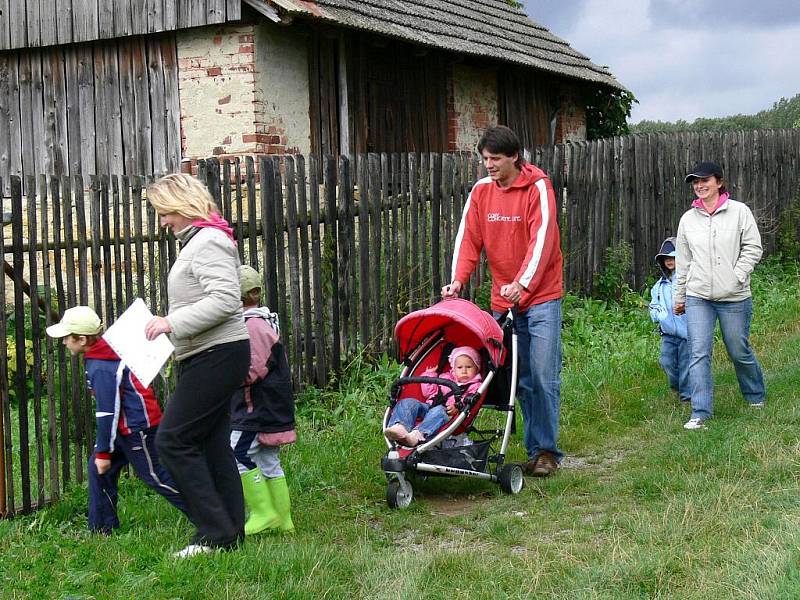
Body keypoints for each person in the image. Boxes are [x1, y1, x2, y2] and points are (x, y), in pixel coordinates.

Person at [442, 125, 563, 477]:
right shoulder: (481, 192)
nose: (489, 166)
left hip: (541, 297)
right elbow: (468, 239)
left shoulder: (538, 188)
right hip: (503, 301)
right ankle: (534, 448)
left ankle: (546, 452)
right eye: (485, 159)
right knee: (516, 378)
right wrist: (458, 280)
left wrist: (522, 284)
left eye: (495, 159)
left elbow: (543, 242)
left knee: (542, 376)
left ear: (514, 156)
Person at [144, 173, 250, 558]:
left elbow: (225, 300)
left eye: (163, 213)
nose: (162, 222)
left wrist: (171, 323)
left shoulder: (208, 242)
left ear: (181, 205)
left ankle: (213, 530)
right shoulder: (201, 241)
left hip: (217, 354)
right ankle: (230, 532)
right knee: (211, 442)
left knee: (172, 440)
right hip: (207, 353)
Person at [45, 306, 187, 534]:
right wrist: (102, 454)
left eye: (66, 338)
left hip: (138, 428)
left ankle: (211, 517)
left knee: (156, 477)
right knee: (98, 469)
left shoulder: (101, 365)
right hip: (124, 428)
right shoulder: (100, 354)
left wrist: (103, 452)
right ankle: (101, 529)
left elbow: (107, 412)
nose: (63, 343)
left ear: (81, 339)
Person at [674, 161, 766, 431]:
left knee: (738, 349)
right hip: (698, 296)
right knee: (698, 352)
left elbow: (753, 248)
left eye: (705, 180)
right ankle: (700, 412)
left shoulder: (739, 212)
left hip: (734, 296)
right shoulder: (688, 219)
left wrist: (737, 275)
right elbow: (683, 261)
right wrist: (680, 296)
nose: (700, 186)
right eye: (695, 182)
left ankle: (755, 395)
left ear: (719, 182)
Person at [230, 265, 296, 536]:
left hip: (254, 409)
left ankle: (263, 512)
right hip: (268, 407)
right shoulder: (263, 320)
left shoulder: (253, 325)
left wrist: (225, 378)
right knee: (269, 460)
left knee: (236, 453)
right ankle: (284, 519)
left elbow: (252, 370)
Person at [384, 346, 483, 447]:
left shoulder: (475, 385)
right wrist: (430, 375)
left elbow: (469, 400)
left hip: (447, 412)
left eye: (469, 367)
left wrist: (458, 406)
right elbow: (429, 393)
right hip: (429, 405)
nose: (464, 371)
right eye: (460, 367)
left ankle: (418, 435)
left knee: (439, 411)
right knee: (407, 402)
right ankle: (400, 426)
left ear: (477, 368)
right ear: (453, 368)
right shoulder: (446, 377)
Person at [648, 236, 691, 402]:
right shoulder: (659, 286)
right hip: (668, 333)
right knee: (667, 362)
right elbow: (653, 305)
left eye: (673, 257)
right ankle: (676, 387)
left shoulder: (687, 280)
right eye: (666, 258)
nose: (669, 261)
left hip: (687, 332)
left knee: (686, 364)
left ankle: (686, 397)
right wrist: (660, 316)